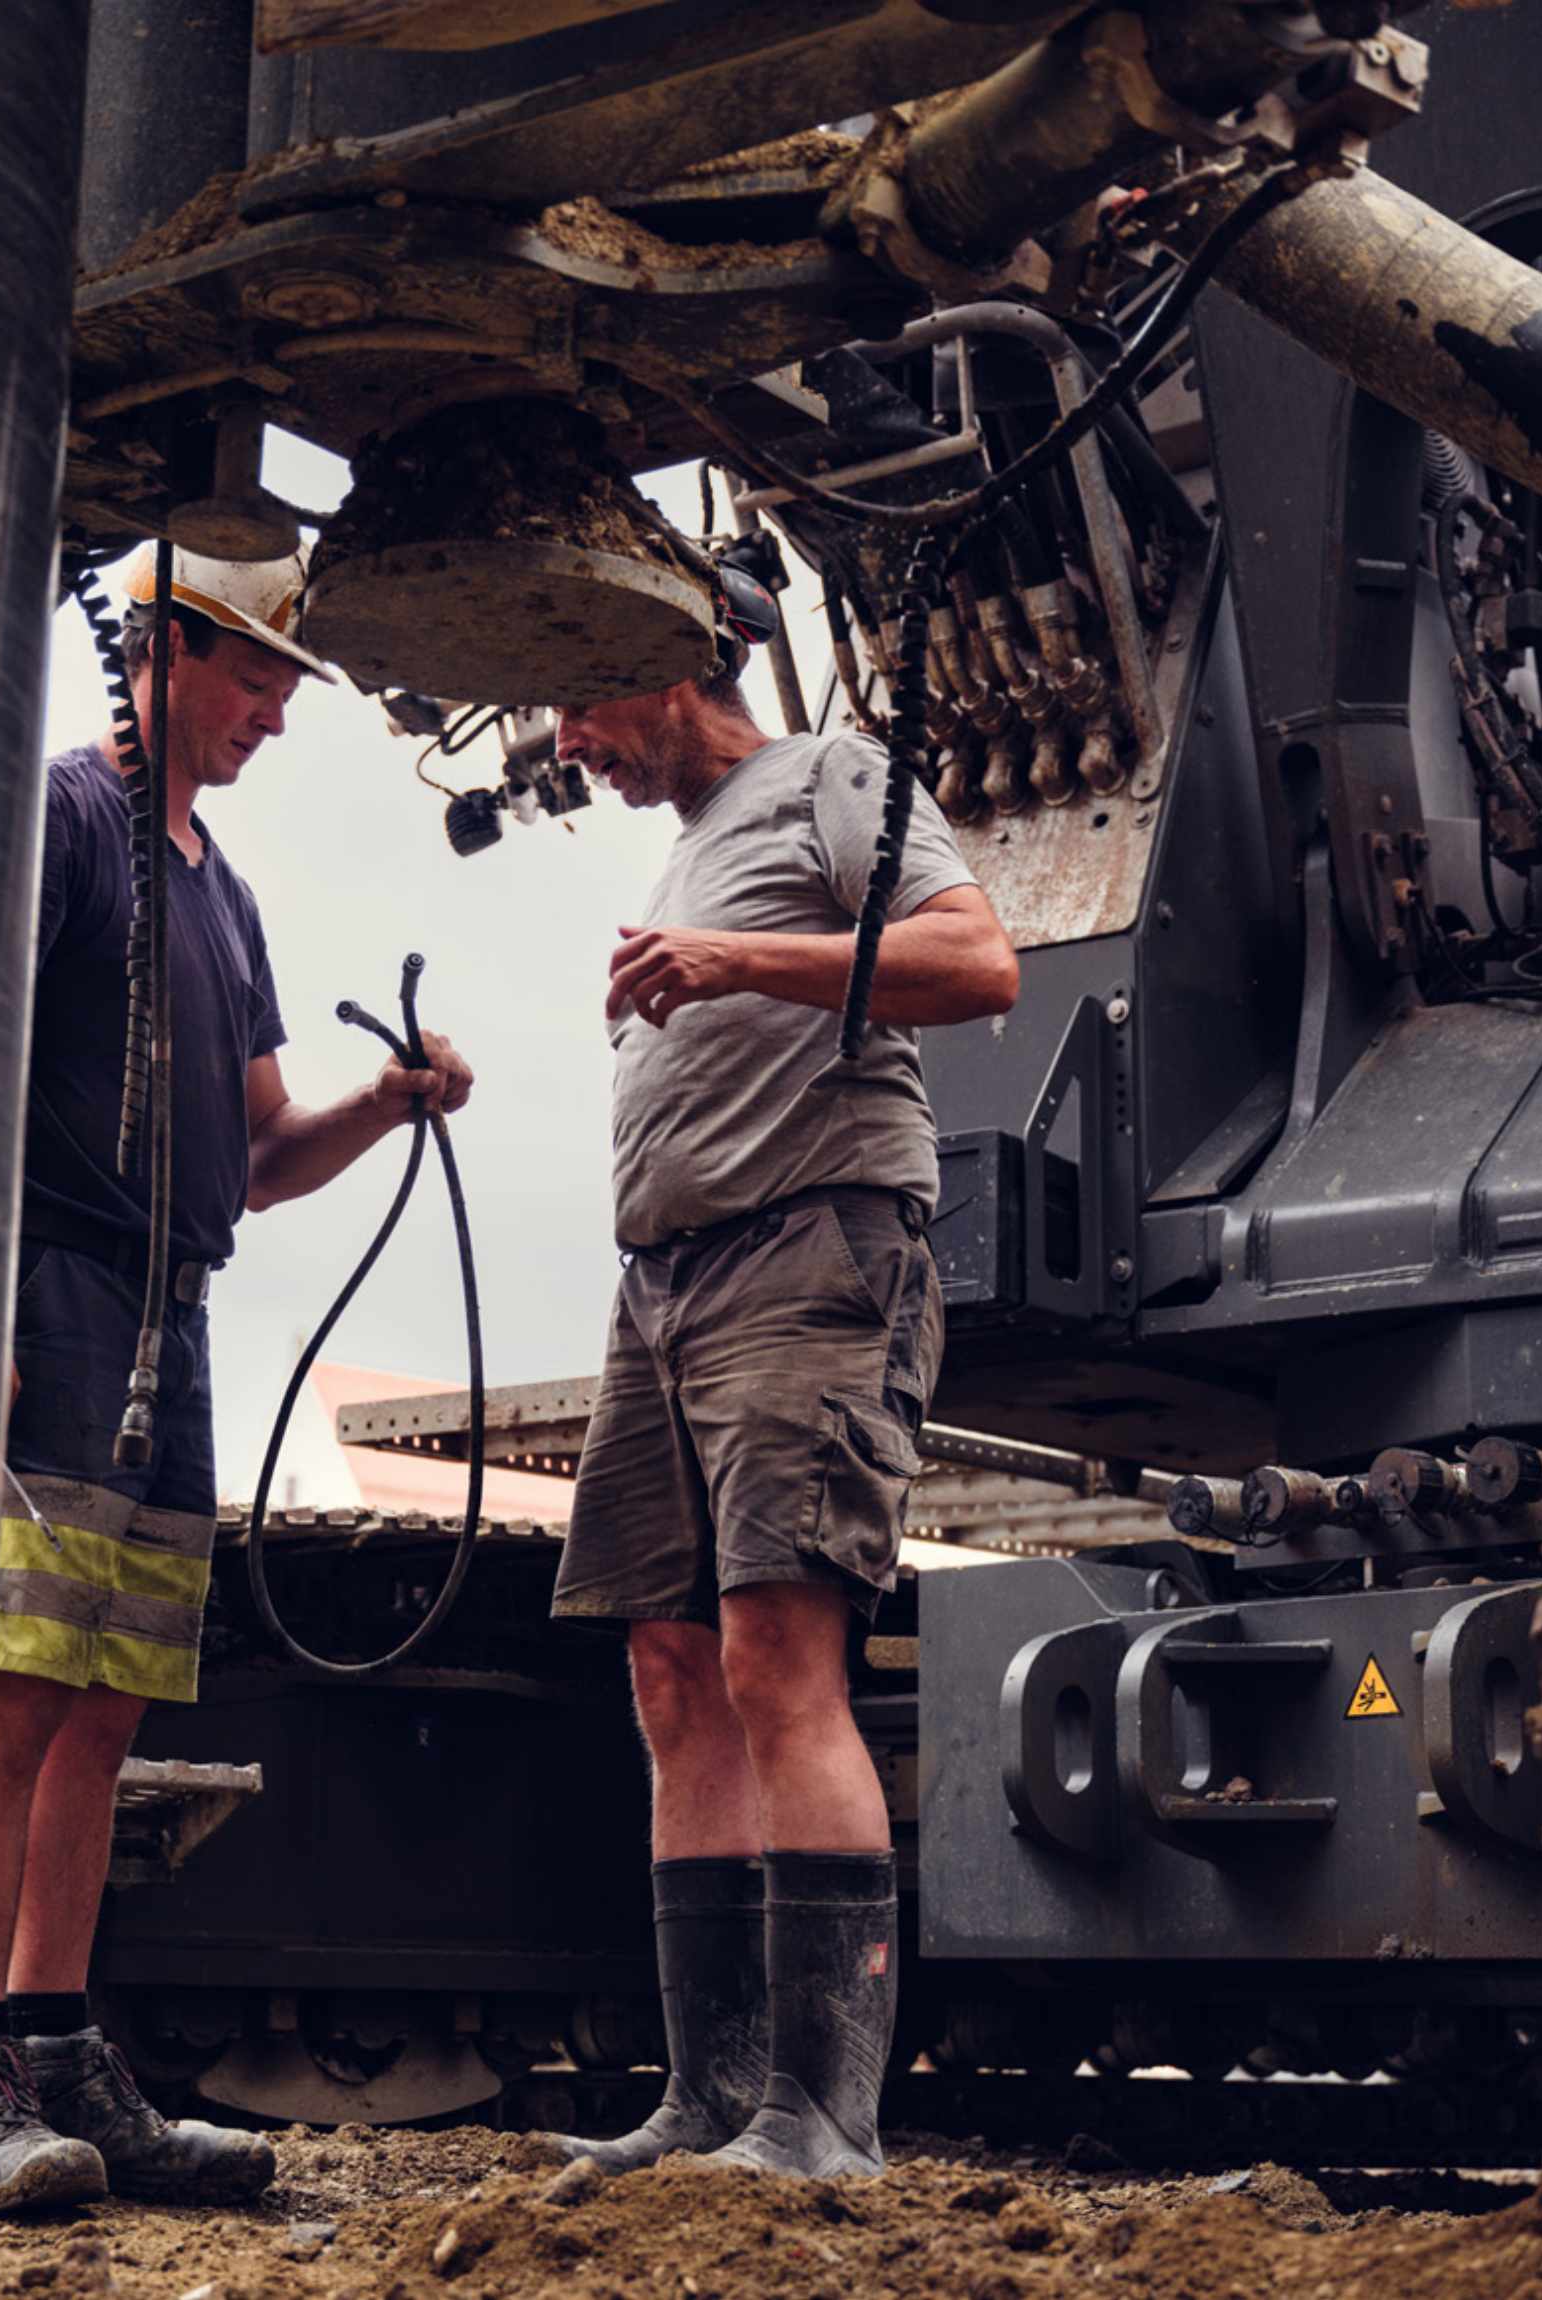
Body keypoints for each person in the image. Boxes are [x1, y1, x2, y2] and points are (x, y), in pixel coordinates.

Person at [0, 545, 474, 2214]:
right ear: (167, 649)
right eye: (259, 676)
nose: (277, 712)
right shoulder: (61, 820)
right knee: (20, 1686)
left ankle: (52, 2044)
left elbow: (260, 1157)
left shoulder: (225, 893)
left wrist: (387, 1104)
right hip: (54, 1290)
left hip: (172, 1313)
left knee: (106, 1698)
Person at [542, 651, 1016, 2180]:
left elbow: (977, 961)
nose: (567, 746)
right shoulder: (690, 842)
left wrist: (743, 962)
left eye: (582, 705)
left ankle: (820, 2118)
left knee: (776, 1657)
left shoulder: (831, 776)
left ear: (675, 668)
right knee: (673, 1671)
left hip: (809, 1247)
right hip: (664, 1288)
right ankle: (709, 2097)